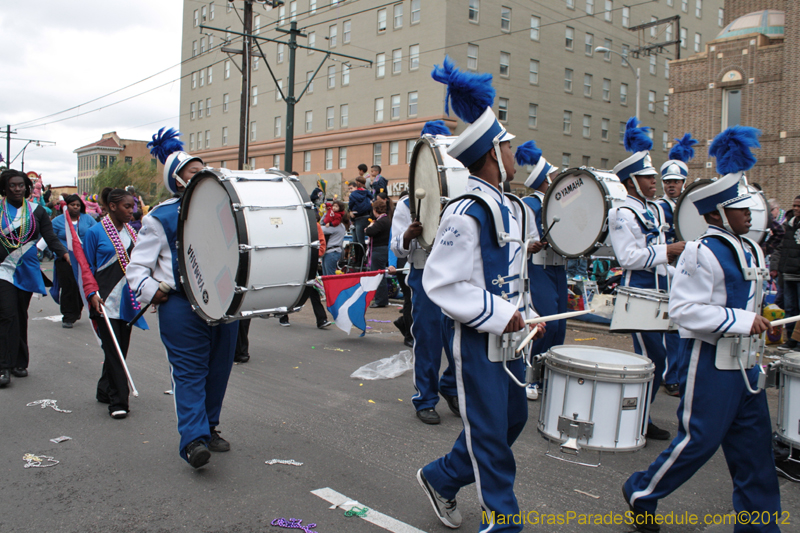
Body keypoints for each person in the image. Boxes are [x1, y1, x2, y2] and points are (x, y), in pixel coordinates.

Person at [623, 126, 781, 532]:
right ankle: (641, 491)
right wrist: (745, 321)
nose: (750, 215)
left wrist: (765, 319)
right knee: (697, 444)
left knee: (755, 453)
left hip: (748, 367)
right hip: (709, 364)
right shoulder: (700, 250)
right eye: (741, 209)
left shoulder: (752, 247)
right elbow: (685, 310)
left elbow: (748, 302)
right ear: (716, 214)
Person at [417, 56, 544, 531]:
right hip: (477, 342)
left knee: (509, 425)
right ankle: (503, 522)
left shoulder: (508, 207)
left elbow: (513, 274)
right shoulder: (465, 211)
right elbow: (441, 283)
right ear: (493, 154)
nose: (516, 153)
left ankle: (441, 478)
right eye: (509, 146)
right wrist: (497, 313)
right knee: (491, 436)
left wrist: (523, 314)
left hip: (510, 339)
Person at [127, 128, 238, 468]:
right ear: (177, 179)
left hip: (224, 303)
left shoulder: (228, 211)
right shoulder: (160, 217)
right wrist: (153, 290)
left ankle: (210, 426)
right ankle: (193, 440)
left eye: (204, 169)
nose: (202, 174)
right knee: (190, 373)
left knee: (218, 370)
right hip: (181, 305)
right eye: (194, 171)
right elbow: (136, 270)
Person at [609, 118, 685, 442]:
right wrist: (666, 251)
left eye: (653, 177)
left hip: (659, 292)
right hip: (638, 295)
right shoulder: (621, 213)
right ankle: (634, 418)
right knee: (650, 360)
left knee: (657, 359)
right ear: (630, 182)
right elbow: (627, 258)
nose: (654, 182)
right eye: (647, 177)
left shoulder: (651, 210)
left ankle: (639, 416)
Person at [391, 121, 459, 425]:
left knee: (459, 342)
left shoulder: (460, 196)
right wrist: (408, 236)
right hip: (424, 273)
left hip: (454, 276)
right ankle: (425, 398)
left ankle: (452, 386)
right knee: (429, 340)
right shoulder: (407, 203)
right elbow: (398, 248)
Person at [0, 169, 69, 387]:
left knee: (20, 315)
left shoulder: (37, 211)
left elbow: (50, 236)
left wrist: (65, 254)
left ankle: (20, 362)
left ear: (27, 188)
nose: (17, 188)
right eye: (12, 185)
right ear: (4, 188)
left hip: (27, 270)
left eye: (21, 185)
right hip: (3, 269)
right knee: (6, 315)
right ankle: (3, 366)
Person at [84, 188, 148, 419]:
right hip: (104, 300)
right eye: (127, 207)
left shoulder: (133, 232)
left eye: (133, 206)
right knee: (113, 352)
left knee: (120, 350)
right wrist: (91, 293)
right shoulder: (94, 232)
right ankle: (119, 402)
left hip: (127, 301)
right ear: (112, 207)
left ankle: (104, 389)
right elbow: (86, 267)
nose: (133, 211)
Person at [515, 140, 564, 402]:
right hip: (538, 267)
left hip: (558, 266)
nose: (558, 178)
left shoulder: (557, 201)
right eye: (554, 175)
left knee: (560, 325)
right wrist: (529, 246)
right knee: (545, 322)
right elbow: (521, 239)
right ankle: (530, 374)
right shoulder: (531, 204)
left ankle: (547, 377)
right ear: (546, 179)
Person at [657, 133, 698, 397]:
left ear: (685, 183)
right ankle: (670, 375)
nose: (671, 186)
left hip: (691, 270)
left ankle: (683, 373)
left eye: (676, 182)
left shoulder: (692, 206)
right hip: (669, 271)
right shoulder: (660, 207)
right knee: (671, 328)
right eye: (668, 182)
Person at [278, 214, 332, 329]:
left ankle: (321, 319)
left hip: (309, 263)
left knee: (314, 290)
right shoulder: (291, 226)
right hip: (293, 262)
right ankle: (283, 316)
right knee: (288, 289)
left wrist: (313, 254)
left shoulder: (315, 226)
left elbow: (322, 246)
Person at [51, 194, 97, 328]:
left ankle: (77, 310)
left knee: (82, 285)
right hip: (64, 259)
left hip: (84, 258)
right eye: (73, 205)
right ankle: (68, 315)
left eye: (78, 205)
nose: (75, 207)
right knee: (68, 286)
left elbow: (96, 233)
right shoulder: (57, 221)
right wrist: (62, 252)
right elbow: (50, 239)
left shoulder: (87, 219)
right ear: (66, 206)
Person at [776, 195, 800, 351]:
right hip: (788, 273)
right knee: (790, 308)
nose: (796, 208)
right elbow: (781, 248)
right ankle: (790, 339)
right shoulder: (788, 225)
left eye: (799, 206)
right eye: (794, 205)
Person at [365, 195, 392, 308]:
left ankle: (380, 300)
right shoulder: (387, 220)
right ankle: (381, 299)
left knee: (378, 275)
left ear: (375, 210)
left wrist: (368, 228)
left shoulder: (381, 221)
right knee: (380, 274)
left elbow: (370, 231)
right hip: (383, 249)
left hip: (379, 250)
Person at [348, 176, 372, 267]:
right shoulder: (366, 192)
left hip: (358, 217)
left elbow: (350, 205)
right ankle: (363, 259)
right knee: (362, 240)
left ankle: (358, 260)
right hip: (366, 216)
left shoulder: (353, 195)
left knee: (358, 240)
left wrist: (351, 211)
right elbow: (372, 199)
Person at [322, 201, 347, 276]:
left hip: (331, 252)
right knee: (327, 275)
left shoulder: (335, 227)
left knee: (329, 276)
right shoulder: (341, 226)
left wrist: (326, 214)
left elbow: (319, 228)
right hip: (331, 252)